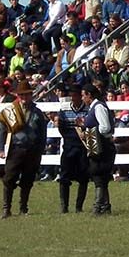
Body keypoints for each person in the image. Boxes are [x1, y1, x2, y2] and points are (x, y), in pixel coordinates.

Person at [0, 82, 49, 218]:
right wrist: (0, 148)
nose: (24, 97)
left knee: (28, 180)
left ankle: (23, 207)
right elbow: (2, 131)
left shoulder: (37, 112)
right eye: (22, 95)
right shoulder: (11, 111)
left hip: (32, 150)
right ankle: (6, 208)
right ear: (18, 96)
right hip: (16, 149)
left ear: (31, 95)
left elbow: (43, 133)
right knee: (9, 179)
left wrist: (41, 150)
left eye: (27, 94)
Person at [80, 84, 115, 215]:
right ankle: (105, 206)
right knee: (100, 177)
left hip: (103, 146)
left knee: (99, 175)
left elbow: (105, 127)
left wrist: (90, 132)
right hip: (99, 145)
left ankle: (98, 206)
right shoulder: (94, 108)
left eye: (84, 95)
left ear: (89, 95)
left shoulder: (99, 107)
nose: (83, 98)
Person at [55, 84, 90, 213]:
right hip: (69, 146)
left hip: (82, 147)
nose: (74, 98)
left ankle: (78, 206)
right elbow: (62, 128)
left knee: (83, 177)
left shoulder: (88, 109)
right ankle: (64, 206)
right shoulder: (64, 111)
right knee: (64, 177)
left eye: (76, 95)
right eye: (72, 95)